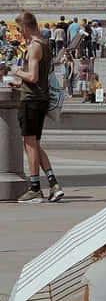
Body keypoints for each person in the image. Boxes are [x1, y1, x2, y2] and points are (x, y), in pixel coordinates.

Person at [9, 11, 64, 203]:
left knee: (29, 144)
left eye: (19, 29)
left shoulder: (33, 47)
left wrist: (17, 72)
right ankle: (53, 183)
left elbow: (32, 76)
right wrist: (19, 83)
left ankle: (34, 188)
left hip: (31, 100)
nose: (19, 33)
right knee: (35, 144)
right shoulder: (45, 45)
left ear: (25, 27)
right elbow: (38, 78)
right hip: (41, 98)